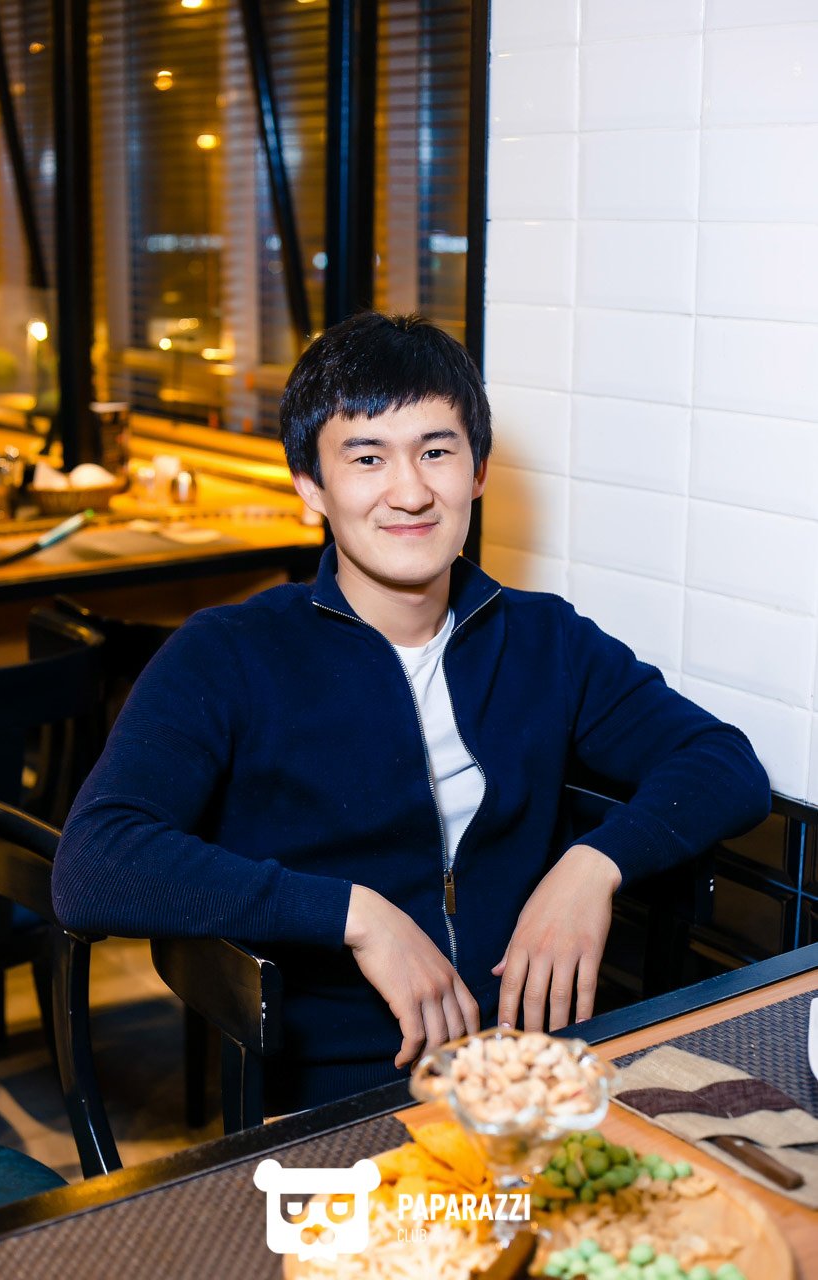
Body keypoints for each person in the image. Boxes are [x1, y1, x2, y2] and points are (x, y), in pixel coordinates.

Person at [52, 311, 770, 1112]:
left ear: (477, 471)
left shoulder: (543, 638)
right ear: (310, 485)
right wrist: (355, 915)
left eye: (436, 451)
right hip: (337, 1095)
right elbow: (94, 863)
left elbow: (722, 764)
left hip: (539, 1072)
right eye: (367, 458)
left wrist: (591, 867)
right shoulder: (228, 652)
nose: (410, 491)